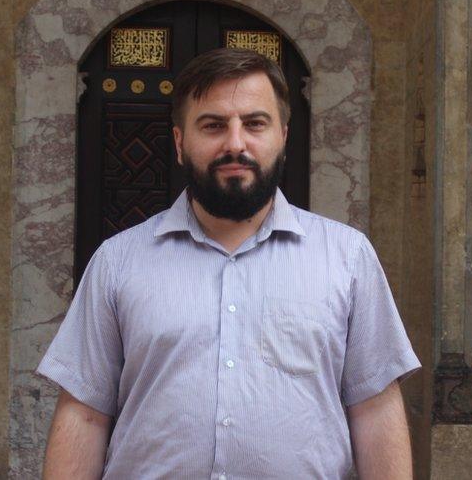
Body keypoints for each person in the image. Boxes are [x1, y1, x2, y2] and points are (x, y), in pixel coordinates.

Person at [38, 47, 420, 479]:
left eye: (255, 124)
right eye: (214, 125)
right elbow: (85, 414)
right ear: (181, 143)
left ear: (283, 137)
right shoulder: (118, 262)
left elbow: (374, 408)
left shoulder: (348, 259)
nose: (235, 143)